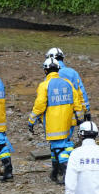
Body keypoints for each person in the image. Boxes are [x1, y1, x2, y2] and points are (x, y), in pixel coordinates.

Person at [28, 56, 84, 184]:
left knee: (60, 147)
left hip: (54, 125)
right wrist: (80, 120)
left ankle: (65, 173)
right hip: (68, 122)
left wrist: (31, 121)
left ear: (45, 71)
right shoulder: (68, 83)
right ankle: (55, 172)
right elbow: (77, 104)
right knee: (60, 146)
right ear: (58, 69)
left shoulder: (45, 85)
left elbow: (39, 105)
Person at [45, 47, 90, 123]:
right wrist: (86, 111)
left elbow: (44, 98)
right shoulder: (73, 73)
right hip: (71, 115)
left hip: (54, 116)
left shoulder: (49, 76)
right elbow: (81, 93)